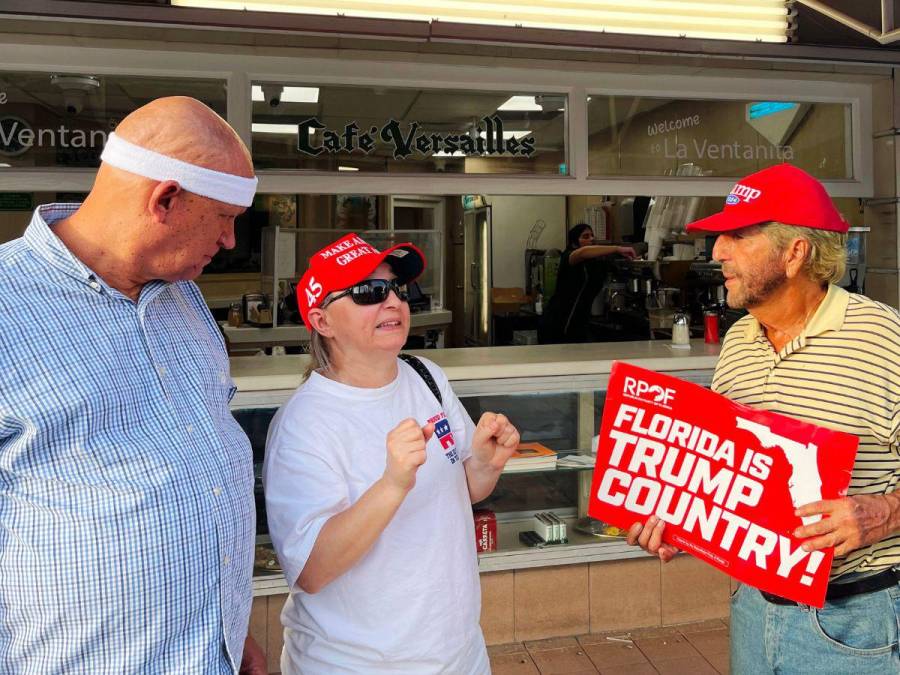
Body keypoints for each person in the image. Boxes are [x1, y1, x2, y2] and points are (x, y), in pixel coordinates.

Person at [0, 97, 266, 673]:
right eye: (225, 217)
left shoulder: (184, 296)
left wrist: (229, 628)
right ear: (165, 199)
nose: (227, 240)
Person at [626, 163, 900, 674]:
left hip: (856, 617)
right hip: (754, 606)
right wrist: (678, 520)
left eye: (738, 236)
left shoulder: (882, 339)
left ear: (796, 252)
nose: (717, 253)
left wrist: (885, 511)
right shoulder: (739, 340)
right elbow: (730, 473)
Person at [264, 233, 521, 674]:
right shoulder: (305, 423)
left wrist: (484, 463)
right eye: (368, 292)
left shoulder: (426, 375)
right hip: (357, 664)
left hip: (457, 652)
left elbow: (463, 491)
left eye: (398, 290)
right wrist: (392, 485)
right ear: (322, 321)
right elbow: (310, 570)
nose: (392, 302)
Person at [540, 223, 636, 343]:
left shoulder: (594, 263)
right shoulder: (569, 256)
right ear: (574, 242)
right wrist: (617, 248)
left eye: (592, 236)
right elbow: (582, 252)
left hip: (579, 321)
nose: (591, 239)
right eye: (585, 236)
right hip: (558, 321)